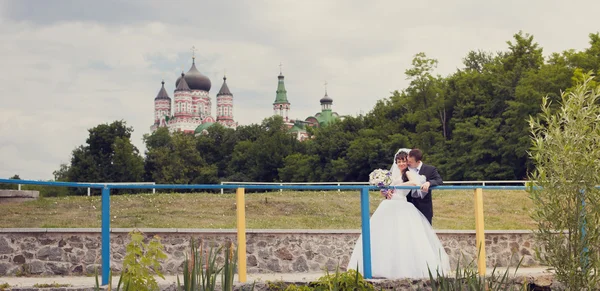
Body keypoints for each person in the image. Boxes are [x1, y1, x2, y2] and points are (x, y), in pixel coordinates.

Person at [346, 150, 450, 279]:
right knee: (383, 237)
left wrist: (397, 186)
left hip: (402, 205)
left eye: (403, 161)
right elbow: (384, 191)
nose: (401, 163)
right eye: (399, 161)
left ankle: (405, 270)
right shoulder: (392, 175)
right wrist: (385, 190)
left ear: (407, 162)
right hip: (388, 206)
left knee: (404, 237)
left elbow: (414, 183)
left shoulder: (408, 173)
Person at [405, 148, 443, 225]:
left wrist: (429, 183)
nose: (408, 163)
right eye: (407, 160)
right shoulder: (405, 169)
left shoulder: (430, 169)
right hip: (408, 206)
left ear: (418, 161)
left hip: (424, 208)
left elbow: (439, 180)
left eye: (410, 162)